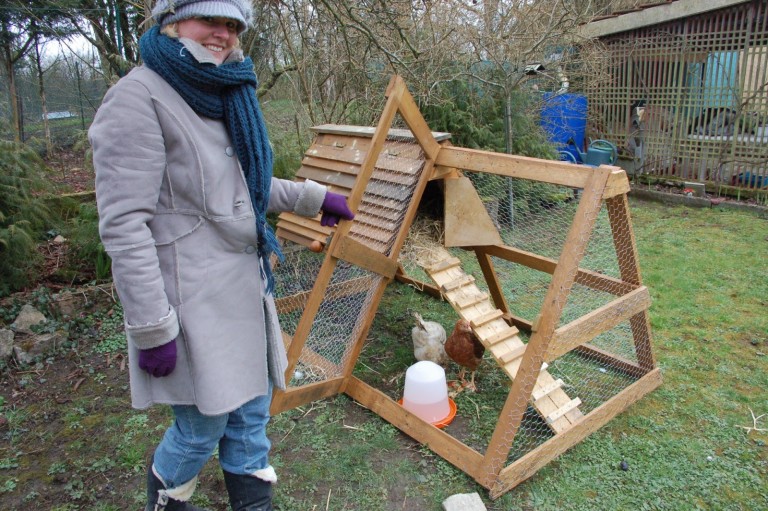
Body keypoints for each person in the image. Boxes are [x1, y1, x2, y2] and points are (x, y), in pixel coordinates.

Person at [88, 1, 354, 510]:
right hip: (190, 307)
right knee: (199, 430)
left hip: (244, 295)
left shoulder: (224, 91)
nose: (223, 33)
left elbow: (241, 186)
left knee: (252, 419)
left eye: (232, 24)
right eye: (210, 19)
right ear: (172, 22)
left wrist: (311, 197)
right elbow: (124, 227)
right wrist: (151, 329)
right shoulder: (136, 98)